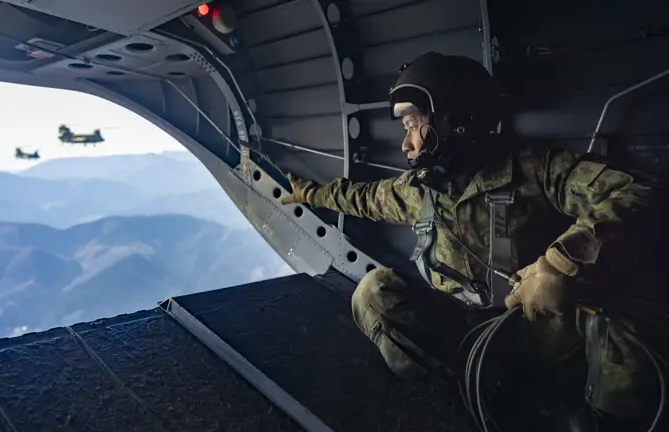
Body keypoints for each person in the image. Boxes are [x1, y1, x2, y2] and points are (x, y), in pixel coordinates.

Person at [279, 52, 662, 431]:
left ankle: (607, 419)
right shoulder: (417, 191)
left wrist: (562, 263)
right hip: (470, 336)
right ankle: (468, 403)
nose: (405, 145)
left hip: (544, 326)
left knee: (615, 297)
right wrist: (311, 194)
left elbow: (637, 192)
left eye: (414, 126)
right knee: (372, 291)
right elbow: (360, 198)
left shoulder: (532, 167)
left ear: (456, 120)